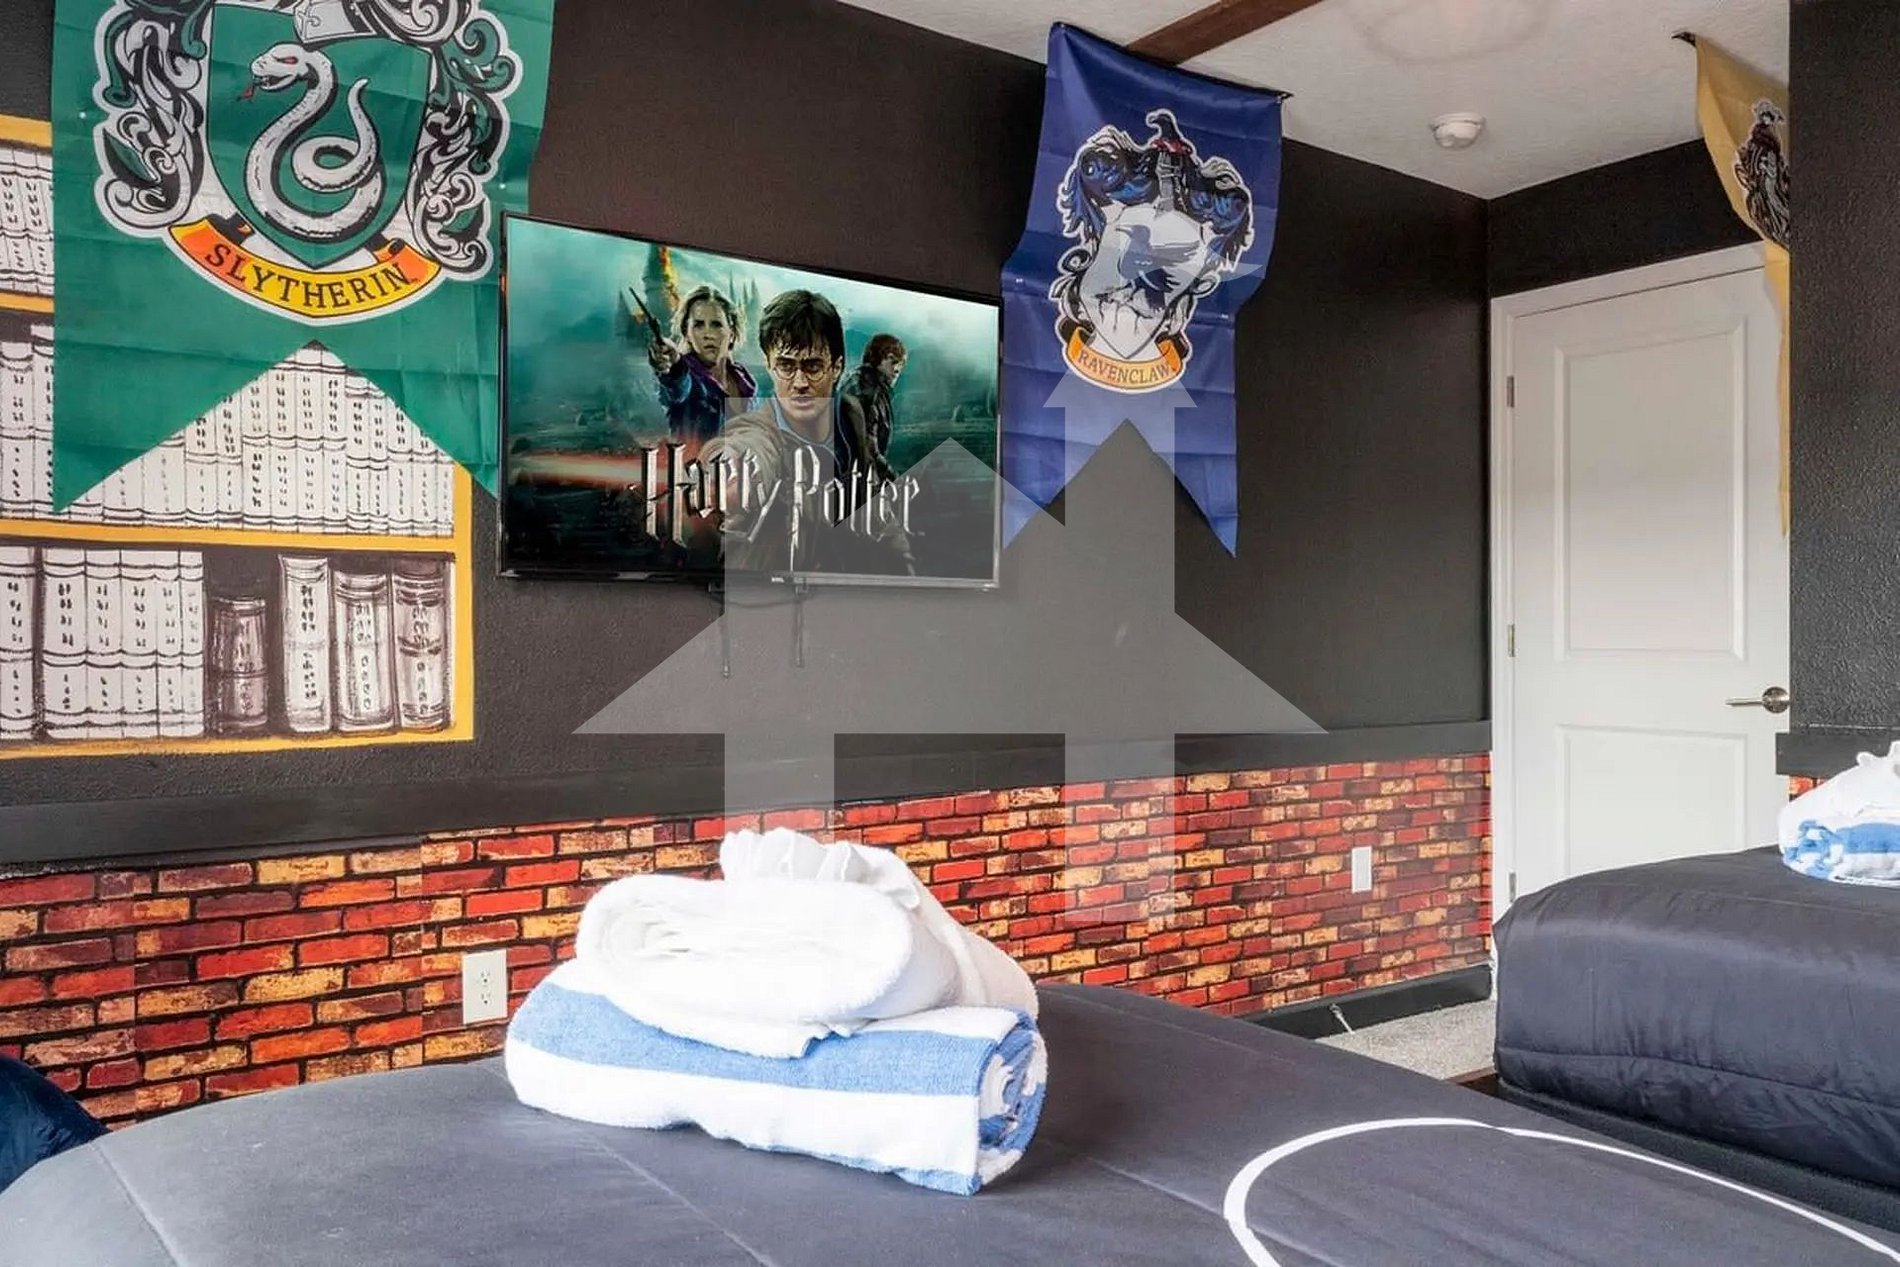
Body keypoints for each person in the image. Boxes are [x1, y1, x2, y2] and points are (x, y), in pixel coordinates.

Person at [701, 290, 911, 576]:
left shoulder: (850, 417)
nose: (799, 382)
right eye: (786, 365)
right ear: (770, 366)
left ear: (836, 367)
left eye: (812, 366)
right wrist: (733, 463)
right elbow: (749, 443)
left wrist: (905, 570)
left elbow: (873, 502)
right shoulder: (758, 430)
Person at [647, 285, 758, 447]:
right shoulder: (687, 377)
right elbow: (677, 388)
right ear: (687, 333)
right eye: (698, 325)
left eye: (716, 324)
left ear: (732, 333)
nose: (708, 334)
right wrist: (675, 366)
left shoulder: (745, 383)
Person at [838, 333, 905, 482]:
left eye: (899, 364)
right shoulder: (870, 390)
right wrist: (892, 477)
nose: (897, 370)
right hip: (857, 476)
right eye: (893, 361)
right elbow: (869, 447)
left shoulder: (855, 379)